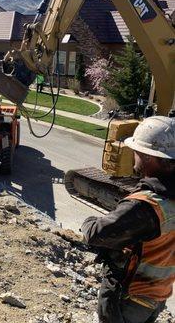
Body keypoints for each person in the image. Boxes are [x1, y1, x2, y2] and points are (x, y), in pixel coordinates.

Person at [81, 116, 175, 323]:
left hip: (130, 297)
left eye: (136, 151)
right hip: (157, 295)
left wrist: (88, 221)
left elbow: (97, 234)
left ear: (149, 156)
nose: (134, 156)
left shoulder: (146, 206)